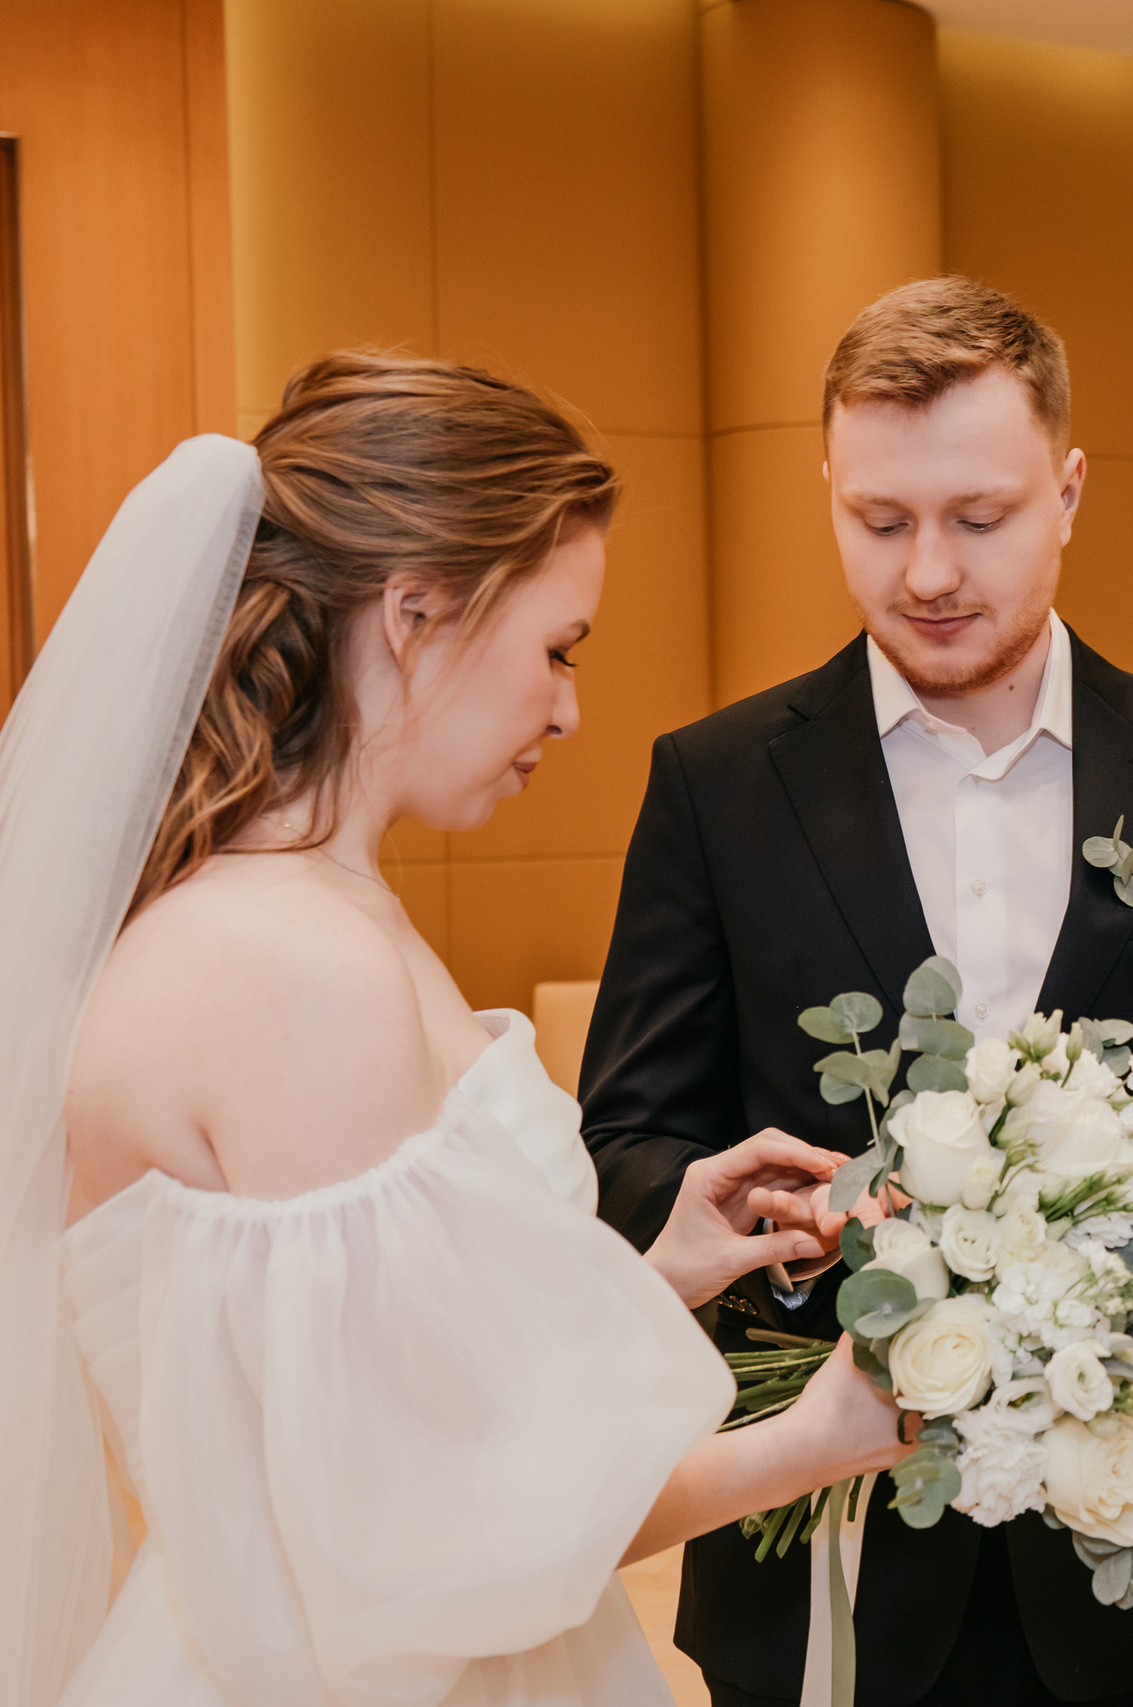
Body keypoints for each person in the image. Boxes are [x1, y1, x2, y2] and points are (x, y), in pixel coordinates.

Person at [0, 354, 909, 1707]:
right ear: (417, 611)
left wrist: (653, 1274)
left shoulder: (314, 913)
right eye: (556, 646)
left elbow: (378, 1396)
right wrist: (826, 1431)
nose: (568, 706)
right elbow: (411, 1546)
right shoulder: (292, 963)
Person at [580, 277, 1133, 1707]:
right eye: (879, 520)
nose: (928, 570)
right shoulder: (718, 784)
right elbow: (632, 1141)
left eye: (980, 517)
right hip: (820, 1556)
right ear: (828, 492)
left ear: (1068, 490)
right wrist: (787, 1230)